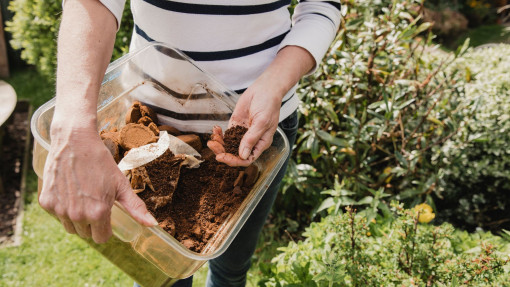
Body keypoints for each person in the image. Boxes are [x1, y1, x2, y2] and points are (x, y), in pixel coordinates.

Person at [39, 0, 341, 286]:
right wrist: (74, 129)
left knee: (231, 271)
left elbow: (322, 5)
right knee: (161, 278)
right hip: (149, 132)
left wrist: (275, 83)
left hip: (256, 136)